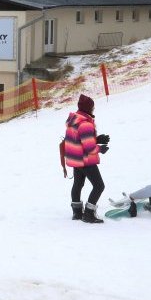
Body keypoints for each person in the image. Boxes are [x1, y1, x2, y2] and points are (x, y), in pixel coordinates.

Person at [63, 94, 109, 224]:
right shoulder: (85, 124)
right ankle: (89, 213)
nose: (94, 109)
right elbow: (89, 148)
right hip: (85, 160)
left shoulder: (74, 119)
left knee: (78, 184)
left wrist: (97, 138)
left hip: (75, 158)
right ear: (88, 108)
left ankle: (77, 213)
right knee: (99, 186)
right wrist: (100, 149)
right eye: (92, 107)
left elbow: (79, 138)